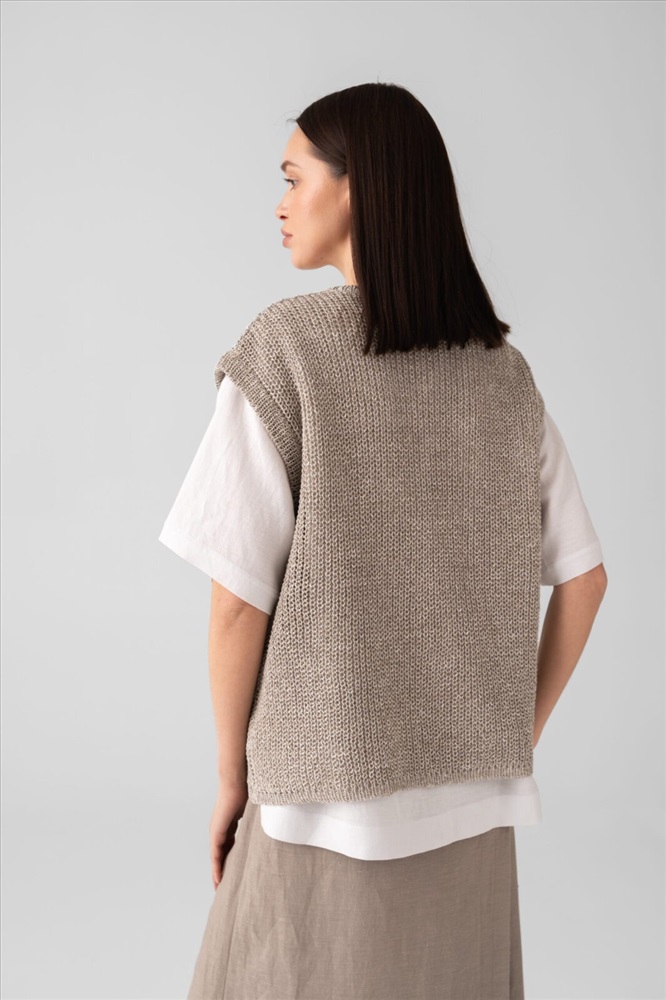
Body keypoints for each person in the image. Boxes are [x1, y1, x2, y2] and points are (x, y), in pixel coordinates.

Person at [158, 82, 608, 1000]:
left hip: (318, 802)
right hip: (474, 810)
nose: (279, 203)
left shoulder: (287, 352)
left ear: (355, 186)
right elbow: (586, 580)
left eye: (294, 178)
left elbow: (237, 600)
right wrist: (502, 733)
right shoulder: (504, 374)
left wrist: (231, 778)